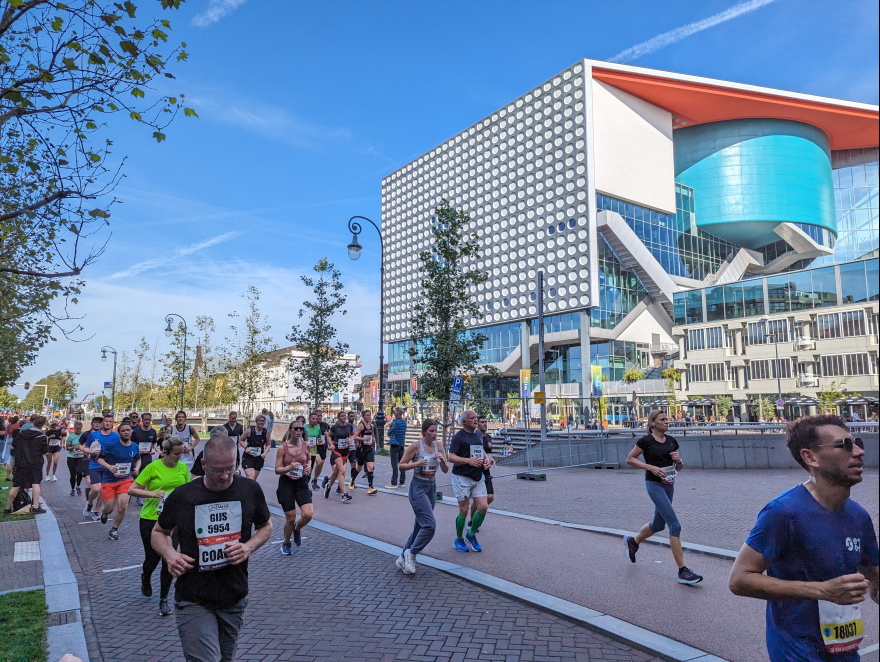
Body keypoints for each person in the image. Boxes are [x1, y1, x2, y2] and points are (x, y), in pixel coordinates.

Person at [729, 415, 879, 660]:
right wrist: (823, 590)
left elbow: (876, 578)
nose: (859, 452)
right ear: (811, 457)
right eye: (845, 445)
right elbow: (739, 579)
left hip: (844, 649)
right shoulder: (783, 512)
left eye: (858, 442)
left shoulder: (859, 516)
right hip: (797, 651)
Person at [152, 436, 272, 662]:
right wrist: (170, 554)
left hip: (234, 595)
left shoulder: (249, 490)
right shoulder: (184, 496)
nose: (226, 476)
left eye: (230, 468)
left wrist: (248, 547)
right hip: (193, 597)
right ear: (203, 464)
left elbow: (265, 526)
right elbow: (159, 532)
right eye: (218, 470)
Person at [623, 410, 703, 585]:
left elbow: (678, 468)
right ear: (652, 423)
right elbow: (630, 459)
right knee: (674, 525)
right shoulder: (646, 441)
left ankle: (633, 541)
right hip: (654, 485)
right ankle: (683, 571)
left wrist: (679, 461)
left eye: (667, 419)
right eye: (663, 420)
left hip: (669, 485)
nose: (667, 422)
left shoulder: (672, 441)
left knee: (658, 525)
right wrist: (650, 467)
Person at [128, 435, 190, 616]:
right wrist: (154, 494)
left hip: (174, 521)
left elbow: (187, 491)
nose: (180, 457)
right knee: (152, 559)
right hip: (150, 518)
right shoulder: (153, 467)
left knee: (169, 559)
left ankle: (164, 599)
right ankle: (146, 577)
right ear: (166, 452)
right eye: (176, 454)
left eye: (182, 453)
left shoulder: (182, 468)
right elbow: (132, 489)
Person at [395, 419, 448, 574]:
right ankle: (411, 553)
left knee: (420, 525)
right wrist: (416, 464)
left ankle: (402, 558)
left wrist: (443, 460)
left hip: (431, 487)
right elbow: (401, 465)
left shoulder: (439, 446)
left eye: (436, 431)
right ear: (424, 432)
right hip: (418, 487)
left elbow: (445, 470)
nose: (434, 434)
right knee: (430, 525)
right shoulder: (416, 446)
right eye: (431, 431)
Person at [447, 410, 490, 552]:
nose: (475, 419)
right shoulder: (458, 437)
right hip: (461, 477)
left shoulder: (478, 434)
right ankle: (458, 539)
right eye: (472, 418)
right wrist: (468, 461)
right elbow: (450, 457)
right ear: (465, 422)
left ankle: (471, 535)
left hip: (477, 476)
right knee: (464, 510)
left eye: (476, 417)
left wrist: (487, 459)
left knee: (483, 507)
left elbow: (481, 450)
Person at [96, 422, 140, 540]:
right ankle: (104, 513)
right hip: (109, 480)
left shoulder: (135, 446)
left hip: (125, 480)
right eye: (123, 430)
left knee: (122, 506)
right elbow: (99, 459)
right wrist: (109, 467)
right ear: (119, 433)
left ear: (131, 432)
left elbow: (138, 459)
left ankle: (114, 529)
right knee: (109, 508)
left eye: (128, 430)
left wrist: (136, 468)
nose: (126, 432)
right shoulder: (111, 445)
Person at [274, 422, 312, 554]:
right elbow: (277, 470)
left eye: (301, 429)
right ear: (290, 430)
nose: (299, 431)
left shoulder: (305, 445)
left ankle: (297, 529)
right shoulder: (282, 448)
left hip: (301, 482)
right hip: (286, 483)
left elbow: (309, 459)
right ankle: (286, 543)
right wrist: (289, 467)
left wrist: (309, 466)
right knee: (290, 518)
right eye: (296, 429)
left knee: (308, 514)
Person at [3, 415, 49, 514]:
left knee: (16, 485)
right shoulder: (42, 437)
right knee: (35, 484)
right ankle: (35, 507)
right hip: (35, 463)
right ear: (43, 425)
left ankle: (7, 508)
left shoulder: (21, 434)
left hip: (21, 463)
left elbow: (14, 446)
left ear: (33, 422)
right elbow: (45, 452)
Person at [84, 415, 115, 521]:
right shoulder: (94, 435)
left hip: (108, 466)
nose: (107, 423)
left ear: (112, 423)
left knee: (103, 490)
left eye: (110, 421)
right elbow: (85, 448)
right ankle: (89, 503)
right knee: (96, 488)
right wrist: (91, 452)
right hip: (95, 464)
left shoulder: (116, 437)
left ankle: (97, 510)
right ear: (103, 423)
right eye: (106, 421)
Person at [472, 415, 497, 532]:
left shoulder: (489, 438)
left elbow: (489, 453)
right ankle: (472, 521)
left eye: (486, 422)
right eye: (482, 422)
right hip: (476, 471)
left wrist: (491, 459)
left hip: (486, 470)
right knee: (477, 500)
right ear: (477, 424)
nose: (485, 424)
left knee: (490, 497)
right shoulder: (474, 437)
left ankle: (477, 513)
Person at [324, 411, 353, 502]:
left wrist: (351, 440)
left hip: (345, 451)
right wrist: (330, 444)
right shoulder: (335, 427)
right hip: (336, 451)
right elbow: (328, 436)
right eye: (341, 416)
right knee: (342, 471)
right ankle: (344, 494)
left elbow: (353, 434)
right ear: (339, 418)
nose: (343, 417)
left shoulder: (349, 426)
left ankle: (328, 487)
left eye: (345, 416)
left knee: (336, 472)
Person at [351, 410, 378, 495]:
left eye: (369, 415)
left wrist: (373, 439)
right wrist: (363, 439)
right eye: (366, 415)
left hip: (369, 449)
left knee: (370, 467)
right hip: (361, 449)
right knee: (359, 468)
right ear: (363, 416)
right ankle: (352, 480)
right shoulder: (361, 426)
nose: (368, 417)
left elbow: (372, 435)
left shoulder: (371, 425)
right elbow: (354, 436)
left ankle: (370, 487)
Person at [238, 414, 270, 480]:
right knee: (251, 477)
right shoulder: (249, 431)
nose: (261, 422)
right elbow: (240, 440)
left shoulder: (266, 432)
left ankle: (247, 489)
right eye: (260, 421)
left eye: (263, 421)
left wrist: (265, 453)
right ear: (256, 421)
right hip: (248, 457)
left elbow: (268, 444)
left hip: (259, 457)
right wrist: (246, 448)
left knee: (254, 479)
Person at [304, 411, 328, 491]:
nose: (315, 420)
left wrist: (320, 440)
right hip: (305, 452)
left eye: (315, 418)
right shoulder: (304, 428)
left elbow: (319, 438)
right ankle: (304, 486)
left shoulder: (318, 429)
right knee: (306, 469)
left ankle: (309, 482)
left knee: (310, 470)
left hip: (314, 451)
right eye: (313, 418)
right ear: (309, 419)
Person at [386, 407, 407, 489]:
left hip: (394, 444)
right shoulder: (404, 423)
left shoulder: (394, 423)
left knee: (394, 464)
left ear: (397, 414)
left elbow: (389, 433)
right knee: (402, 463)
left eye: (395, 413)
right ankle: (402, 481)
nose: (394, 414)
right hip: (401, 444)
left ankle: (394, 482)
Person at [65, 420, 87, 496]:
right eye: (77, 428)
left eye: (79, 428)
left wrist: (83, 448)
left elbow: (88, 444)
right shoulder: (71, 436)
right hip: (72, 457)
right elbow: (67, 448)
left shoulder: (84, 435)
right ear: (74, 428)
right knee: (73, 474)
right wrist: (74, 447)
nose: (78, 430)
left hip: (81, 456)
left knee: (80, 472)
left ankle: (78, 486)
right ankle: (72, 489)